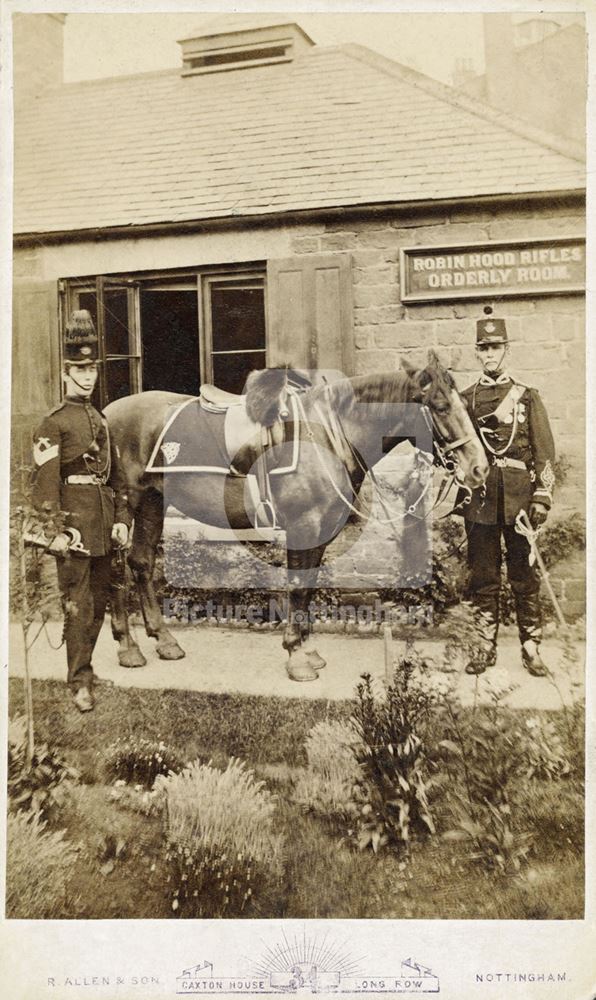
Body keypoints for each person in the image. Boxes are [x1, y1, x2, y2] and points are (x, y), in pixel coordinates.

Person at [30, 310, 132, 712]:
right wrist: (53, 529)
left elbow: (117, 477)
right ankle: (78, 683)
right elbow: (44, 483)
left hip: (104, 526)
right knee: (78, 606)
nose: (88, 376)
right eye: (80, 369)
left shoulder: (101, 420)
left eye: (92, 369)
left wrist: (122, 520)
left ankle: (85, 668)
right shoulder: (51, 423)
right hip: (73, 528)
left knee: (100, 603)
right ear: (66, 373)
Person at [460, 310, 556, 677]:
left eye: (495, 347)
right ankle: (484, 646)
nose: (489, 354)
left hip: (521, 501)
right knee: (483, 575)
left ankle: (531, 647)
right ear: (476, 352)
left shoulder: (527, 397)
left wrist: (542, 497)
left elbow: (545, 452)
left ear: (506, 350)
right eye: (483, 348)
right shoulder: (466, 400)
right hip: (481, 499)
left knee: (524, 575)